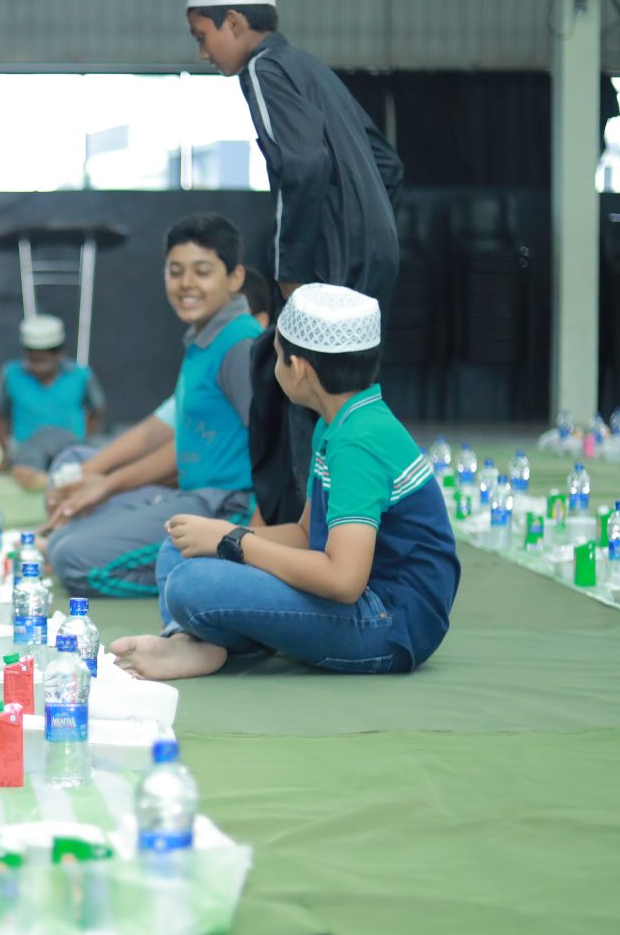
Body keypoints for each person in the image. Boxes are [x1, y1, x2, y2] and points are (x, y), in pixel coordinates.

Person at [112, 285, 459, 680]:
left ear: (298, 369)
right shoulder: (339, 422)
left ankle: (208, 641)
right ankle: (189, 641)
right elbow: (305, 533)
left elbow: (344, 581)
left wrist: (235, 541)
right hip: (358, 602)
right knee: (180, 549)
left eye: (276, 355)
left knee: (191, 582)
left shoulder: (359, 441)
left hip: (386, 623)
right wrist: (227, 533)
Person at [186, 0, 405, 540]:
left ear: (233, 22)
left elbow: (301, 166)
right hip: (372, 254)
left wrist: (291, 273)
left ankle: (316, 547)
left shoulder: (263, 69)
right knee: (346, 396)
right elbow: (387, 164)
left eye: (202, 36)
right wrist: (369, 231)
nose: (203, 53)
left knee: (299, 389)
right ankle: (355, 529)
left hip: (326, 262)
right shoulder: (311, 68)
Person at [40, 214, 262, 598]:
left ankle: (199, 573)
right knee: (70, 479)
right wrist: (99, 480)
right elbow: (167, 439)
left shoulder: (239, 345)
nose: (186, 284)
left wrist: (255, 539)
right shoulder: (204, 340)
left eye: (202, 271)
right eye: (175, 272)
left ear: (235, 278)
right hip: (190, 495)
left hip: (222, 509)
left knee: (71, 558)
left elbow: (273, 448)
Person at [0, 313, 106, 492]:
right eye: (32, 359)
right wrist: (6, 451)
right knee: (23, 473)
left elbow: (97, 409)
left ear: (58, 354)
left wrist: (84, 438)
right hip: (29, 447)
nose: (37, 367)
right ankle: (57, 483)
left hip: (69, 443)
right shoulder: (10, 374)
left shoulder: (80, 375)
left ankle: (55, 482)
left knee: (92, 471)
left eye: (42, 361)